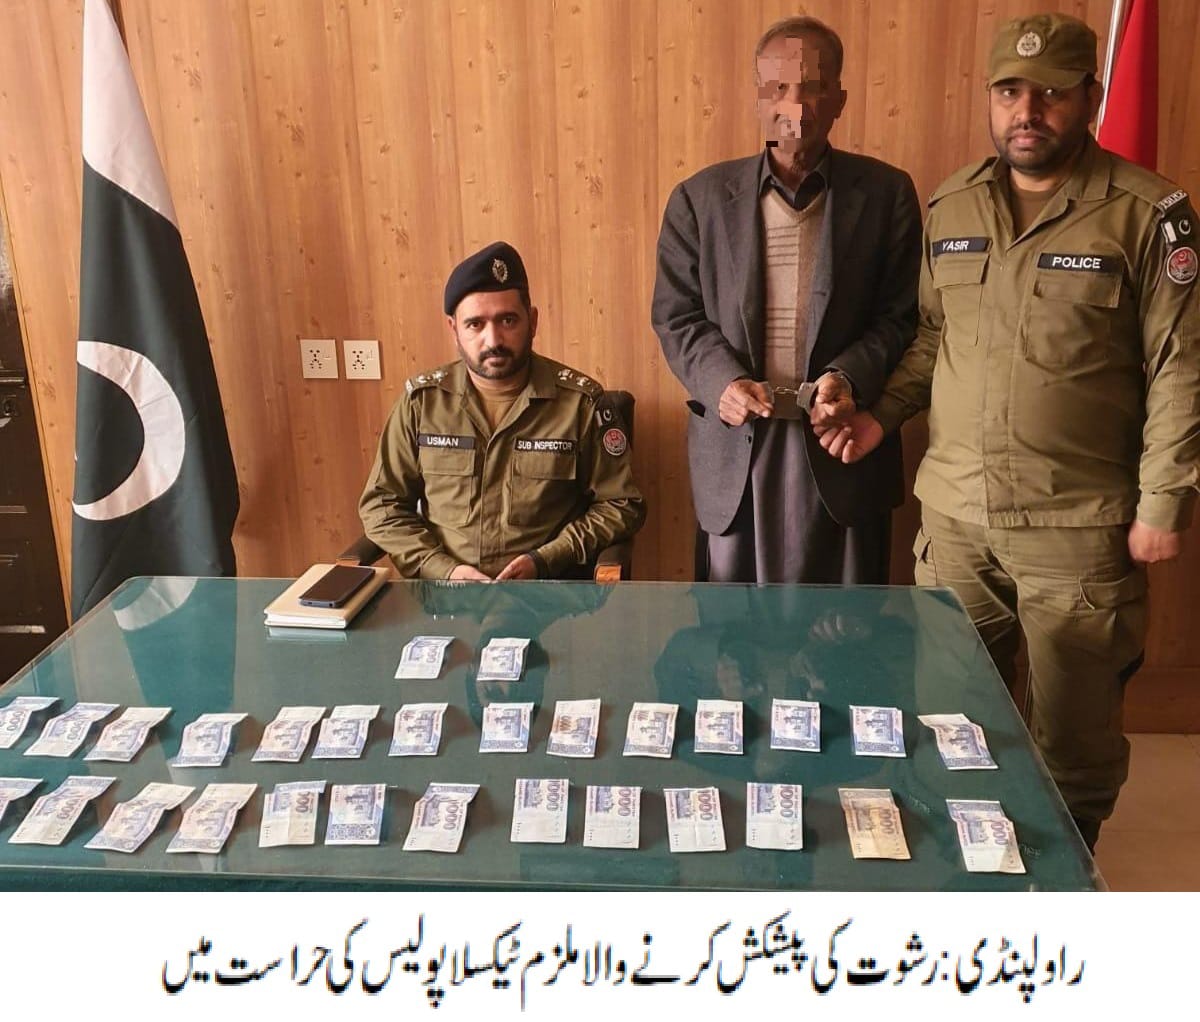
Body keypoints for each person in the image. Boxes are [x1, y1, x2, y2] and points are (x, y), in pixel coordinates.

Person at [816, 13, 1200, 851]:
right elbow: (933, 338)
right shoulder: (953, 203)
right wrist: (882, 418)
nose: (1027, 111)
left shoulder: (1147, 213)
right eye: (1009, 92)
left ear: (1091, 96)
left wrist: (1164, 503)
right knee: (952, 718)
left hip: (1078, 526)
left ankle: (1064, 876)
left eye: (1051, 93)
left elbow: (1181, 364)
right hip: (956, 516)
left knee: (1073, 739)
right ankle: (975, 865)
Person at [651, 15, 921, 584]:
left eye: (812, 88)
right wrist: (722, 382)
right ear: (757, 97)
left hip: (841, 441)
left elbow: (901, 318)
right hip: (736, 452)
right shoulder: (698, 200)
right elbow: (677, 317)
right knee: (733, 629)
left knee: (845, 629)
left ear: (839, 99)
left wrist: (848, 377)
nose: (793, 107)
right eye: (777, 88)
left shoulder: (887, 194)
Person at [359, 241, 646, 581]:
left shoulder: (581, 404)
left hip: (548, 595)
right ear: (454, 329)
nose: (493, 340)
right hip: (444, 598)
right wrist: (443, 569)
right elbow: (382, 505)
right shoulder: (421, 405)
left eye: (508, 320)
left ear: (532, 321)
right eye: (475, 324)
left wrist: (547, 559)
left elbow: (620, 504)